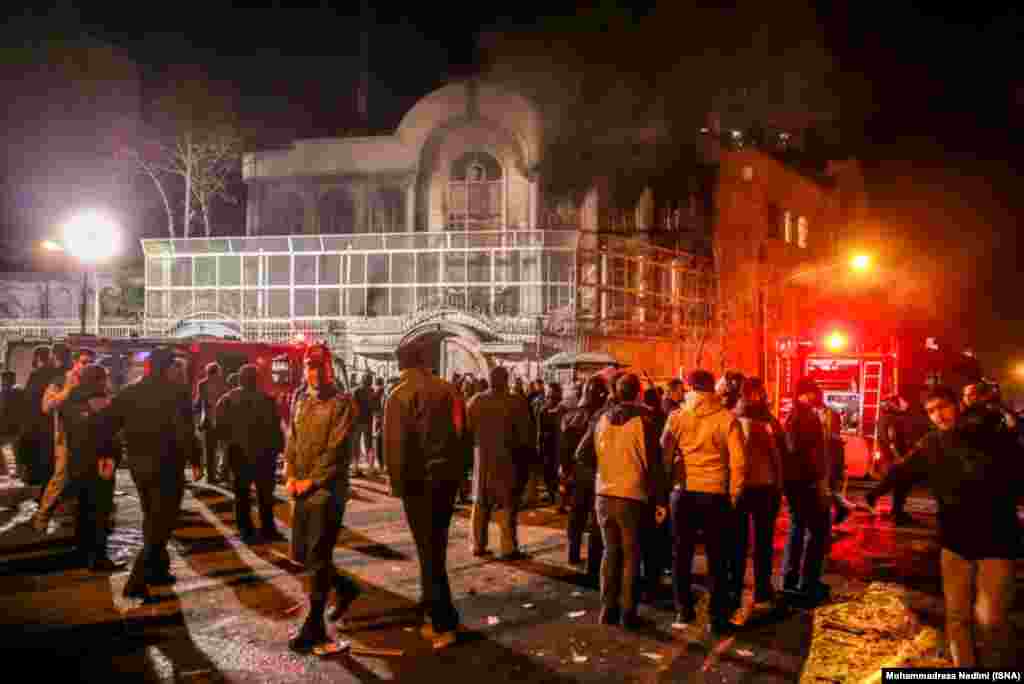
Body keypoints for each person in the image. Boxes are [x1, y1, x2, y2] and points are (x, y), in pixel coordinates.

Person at [865, 386, 1022, 668]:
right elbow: (903, 470)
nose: (938, 415)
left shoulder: (991, 435)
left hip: (997, 540)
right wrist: (873, 493)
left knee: (991, 620)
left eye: (943, 407)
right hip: (954, 542)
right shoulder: (932, 443)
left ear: (957, 405)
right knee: (957, 617)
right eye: (931, 411)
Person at [90, 347, 201, 600]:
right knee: (163, 521)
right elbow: (186, 431)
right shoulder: (178, 394)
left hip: (139, 466)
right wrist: (195, 459)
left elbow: (106, 424)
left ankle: (158, 570)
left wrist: (105, 454)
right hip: (167, 465)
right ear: (168, 367)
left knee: (152, 515)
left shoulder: (130, 392)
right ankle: (137, 579)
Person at [384, 339, 464, 650]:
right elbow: (461, 432)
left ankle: (443, 620)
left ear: (401, 364)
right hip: (446, 480)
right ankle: (430, 602)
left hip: (418, 484)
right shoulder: (449, 390)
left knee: (428, 551)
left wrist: (397, 484)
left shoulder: (399, 395)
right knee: (435, 546)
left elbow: (396, 447)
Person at [283, 344, 361, 652]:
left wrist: (311, 480)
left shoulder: (343, 403)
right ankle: (345, 587)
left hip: (327, 491)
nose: (313, 373)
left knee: (317, 557)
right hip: (300, 487)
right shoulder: (300, 398)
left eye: (318, 366)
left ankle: (314, 626)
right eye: (309, 367)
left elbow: (336, 450)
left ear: (329, 368)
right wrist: (290, 473)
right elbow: (292, 439)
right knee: (302, 554)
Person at [661, 369, 746, 633]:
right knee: (717, 556)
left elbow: (664, 453)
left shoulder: (677, 417)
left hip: (683, 491)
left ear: (689, 387)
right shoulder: (727, 419)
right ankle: (716, 617)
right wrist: (734, 493)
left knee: (681, 554)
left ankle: (683, 609)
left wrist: (667, 486)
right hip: (715, 493)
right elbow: (739, 462)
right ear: (713, 389)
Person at [582, 373, 667, 629]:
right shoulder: (645, 421)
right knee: (631, 555)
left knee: (610, 551)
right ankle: (628, 613)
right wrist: (660, 500)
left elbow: (582, 453)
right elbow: (654, 464)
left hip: (604, 494)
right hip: (631, 495)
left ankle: (607, 608)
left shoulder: (601, 418)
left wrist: (603, 469)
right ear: (638, 393)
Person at [730, 377, 785, 625]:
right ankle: (762, 588)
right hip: (764, 487)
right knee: (763, 541)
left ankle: (735, 588)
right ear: (756, 394)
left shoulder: (732, 418)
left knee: (738, 541)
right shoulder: (766, 422)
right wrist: (780, 486)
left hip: (740, 487)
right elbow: (778, 455)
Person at [60, 363, 122, 571]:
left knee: (83, 509)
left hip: (78, 461)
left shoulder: (70, 400)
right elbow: (108, 432)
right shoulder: (100, 400)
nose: (106, 382)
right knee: (100, 509)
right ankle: (98, 557)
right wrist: (111, 457)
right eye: (104, 378)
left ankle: (82, 553)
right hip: (101, 461)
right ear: (99, 380)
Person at [466, 366, 532, 559]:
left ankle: (477, 545)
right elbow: (525, 435)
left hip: (482, 458)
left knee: (480, 503)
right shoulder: (515, 402)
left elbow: (466, 431)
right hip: (507, 459)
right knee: (507, 504)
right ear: (505, 380)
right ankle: (508, 547)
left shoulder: (475, 401)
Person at [217, 364, 286, 543]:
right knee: (265, 495)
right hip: (264, 454)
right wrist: (279, 449)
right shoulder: (267, 399)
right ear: (256, 380)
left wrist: (227, 450)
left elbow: (220, 429)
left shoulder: (227, 399)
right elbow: (276, 428)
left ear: (240, 379)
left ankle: (246, 530)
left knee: (242, 495)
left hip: (239, 453)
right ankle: (268, 529)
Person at [781, 377, 832, 605]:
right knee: (817, 531)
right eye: (812, 392)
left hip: (798, 482)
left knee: (799, 528)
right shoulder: (803, 416)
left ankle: (792, 579)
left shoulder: (797, 415)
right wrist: (817, 478)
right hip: (806, 482)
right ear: (805, 393)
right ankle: (808, 582)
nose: (815, 396)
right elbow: (798, 449)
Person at [34, 347, 97, 531]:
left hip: (89, 438)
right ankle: (42, 518)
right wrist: (67, 390)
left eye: (91, 363)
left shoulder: (93, 382)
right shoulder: (60, 380)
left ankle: (81, 521)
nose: (87, 366)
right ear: (75, 363)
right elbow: (46, 406)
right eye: (84, 362)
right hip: (67, 437)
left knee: (87, 479)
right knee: (60, 478)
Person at [562, 376, 609, 568]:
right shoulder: (604, 418)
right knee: (594, 519)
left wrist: (565, 470)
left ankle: (573, 553)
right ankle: (593, 560)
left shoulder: (570, 416)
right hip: (597, 473)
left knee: (576, 515)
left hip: (577, 473)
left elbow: (564, 448)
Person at [876, 394, 930, 525]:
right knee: (900, 484)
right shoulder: (891, 419)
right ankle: (895, 512)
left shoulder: (886, 417)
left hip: (892, 458)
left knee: (898, 484)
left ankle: (896, 512)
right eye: (899, 402)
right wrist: (899, 458)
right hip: (896, 458)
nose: (903, 404)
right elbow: (892, 441)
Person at [817, 390, 852, 527]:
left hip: (828, 458)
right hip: (829, 458)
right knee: (828, 490)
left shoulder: (829, 415)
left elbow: (831, 436)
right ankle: (840, 509)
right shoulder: (829, 413)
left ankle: (839, 510)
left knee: (825, 491)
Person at [194, 362, 229, 485]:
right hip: (220, 420)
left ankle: (211, 477)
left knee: (210, 449)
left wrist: (196, 413)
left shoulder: (202, 384)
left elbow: (199, 402)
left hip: (209, 420)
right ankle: (221, 473)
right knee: (222, 448)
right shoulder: (222, 384)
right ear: (218, 372)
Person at [536, 382, 566, 508]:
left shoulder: (562, 409)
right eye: (548, 396)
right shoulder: (543, 410)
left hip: (559, 446)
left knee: (558, 473)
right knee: (548, 472)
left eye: (553, 396)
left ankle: (559, 499)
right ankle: (552, 494)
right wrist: (539, 445)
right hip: (548, 446)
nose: (550, 398)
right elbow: (540, 431)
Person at [351, 373, 377, 476]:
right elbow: (374, 406)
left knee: (356, 443)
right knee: (368, 443)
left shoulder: (356, 390)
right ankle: (370, 467)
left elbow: (353, 405)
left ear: (362, 380)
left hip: (357, 421)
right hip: (368, 420)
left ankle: (355, 467)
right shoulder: (372, 391)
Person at [0, 370, 22, 478]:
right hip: (14, 427)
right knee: (17, 450)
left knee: (16, 449)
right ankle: (13, 470)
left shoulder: (4, 394)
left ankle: (3, 469)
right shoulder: (19, 393)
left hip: (8, 427)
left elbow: (2, 410)